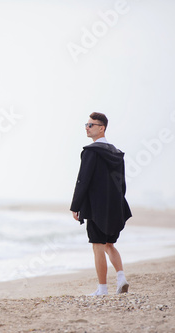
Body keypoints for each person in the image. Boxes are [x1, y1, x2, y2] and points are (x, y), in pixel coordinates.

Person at [70, 112, 132, 296]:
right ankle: (121, 278)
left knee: (97, 245)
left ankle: (102, 289)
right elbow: (122, 184)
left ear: (101, 128)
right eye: (86, 124)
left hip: (97, 207)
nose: (87, 127)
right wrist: (118, 204)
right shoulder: (116, 153)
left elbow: (83, 180)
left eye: (90, 125)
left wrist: (76, 205)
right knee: (109, 244)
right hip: (115, 206)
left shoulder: (91, 152)